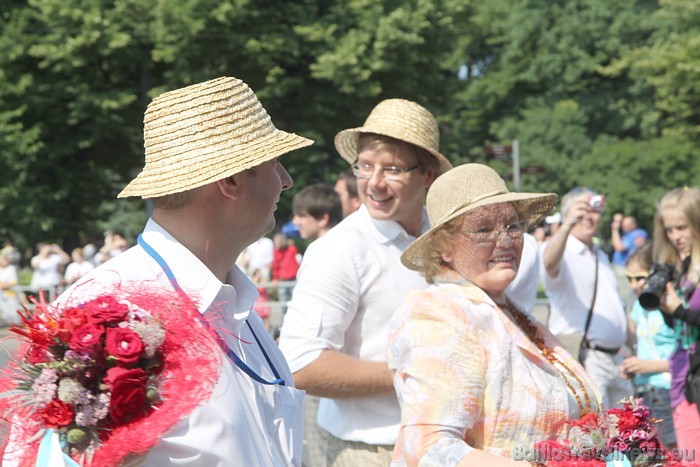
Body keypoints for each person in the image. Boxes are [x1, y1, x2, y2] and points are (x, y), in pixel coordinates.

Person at [3, 76, 313, 465]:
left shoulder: (230, 299)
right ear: (231, 180)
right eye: (275, 163)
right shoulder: (103, 315)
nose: (286, 180)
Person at [279, 98, 452, 465]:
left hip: (447, 444)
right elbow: (300, 364)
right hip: (370, 453)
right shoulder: (339, 250)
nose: (374, 183)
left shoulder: (447, 236)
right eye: (365, 166)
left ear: (429, 176)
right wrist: (412, 373)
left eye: (392, 169)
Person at [389, 164, 599, 465]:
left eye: (513, 226)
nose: (505, 240)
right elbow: (428, 447)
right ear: (445, 248)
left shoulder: (512, 313)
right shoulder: (439, 312)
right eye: (484, 229)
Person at [540, 187, 632, 409]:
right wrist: (567, 224)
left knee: (628, 433)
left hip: (616, 359)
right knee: (595, 435)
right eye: (582, 211)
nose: (590, 217)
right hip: (585, 357)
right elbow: (548, 263)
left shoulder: (599, 253)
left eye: (595, 211)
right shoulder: (563, 249)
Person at [652, 187, 700, 451]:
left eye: (682, 227)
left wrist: (679, 310)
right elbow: (680, 327)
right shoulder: (683, 268)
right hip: (683, 380)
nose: (675, 237)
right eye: (669, 230)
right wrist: (664, 306)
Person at [618, 243, 676, 448]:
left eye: (640, 277)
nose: (634, 285)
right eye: (629, 278)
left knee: (674, 451)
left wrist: (648, 366)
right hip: (643, 391)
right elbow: (639, 347)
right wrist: (632, 367)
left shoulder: (669, 306)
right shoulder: (637, 307)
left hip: (668, 391)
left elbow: (687, 359)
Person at [611, 213, 648, 304]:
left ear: (633, 225)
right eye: (623, 224)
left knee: (626, 296)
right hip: (620, 267)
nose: (623, 226)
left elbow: (619, 247)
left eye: (626, 224)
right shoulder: (625, 235)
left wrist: (614, 230)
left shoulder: (638, 233)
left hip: (626, 269)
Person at [271, 232, 300, 313]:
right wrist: (275, 279)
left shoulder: (291, 249)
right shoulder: (276, 252)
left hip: (293, 278)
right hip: (282, 279)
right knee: (283, 303)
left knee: (294, 301)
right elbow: (275, 267)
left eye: (276, 241)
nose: (275, 243)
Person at [0, 253, 20, 325]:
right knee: (5, 313)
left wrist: (3, 285)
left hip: (10, 293)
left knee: (13, 313)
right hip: (1, 294)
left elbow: (13, 282)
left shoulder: (11, 268)